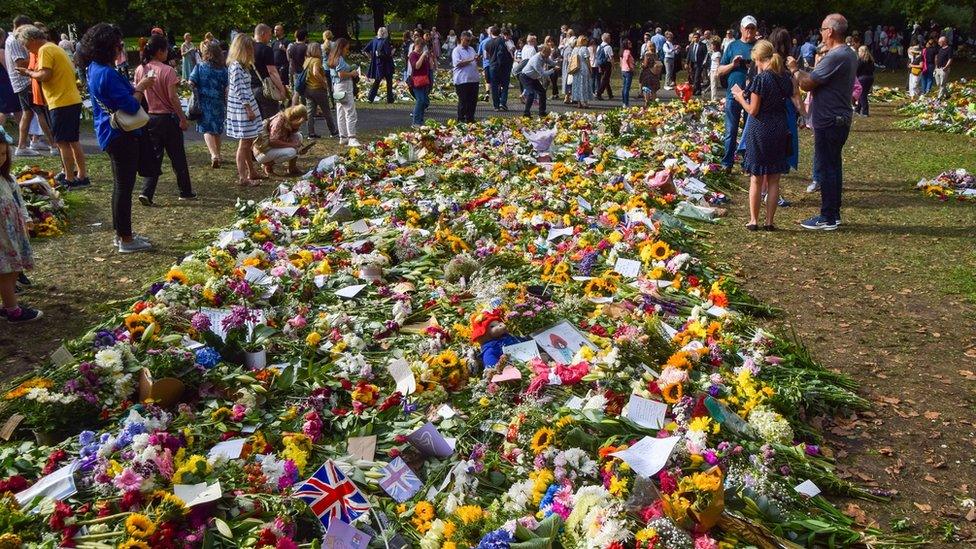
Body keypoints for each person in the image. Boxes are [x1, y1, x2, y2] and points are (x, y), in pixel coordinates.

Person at [82, 22, 156, 253]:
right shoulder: (106, 73)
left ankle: (121, 234)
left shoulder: (94, 68)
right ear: (109, 48)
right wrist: (142, 86)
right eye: (118, 45)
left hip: (109, 131)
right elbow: (131, 105)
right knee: (124, 187)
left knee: (120, 186)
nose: (120, 49)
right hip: (120, 134)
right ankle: (125, 239)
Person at [790, 13, 857, 231]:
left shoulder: (836, 56)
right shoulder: (848, 53)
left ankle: (827, 216)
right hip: (838, 118)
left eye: (822, 29)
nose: (820, 33)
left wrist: (793, 69)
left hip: (830, 120)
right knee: (833, 167)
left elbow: (809, 83)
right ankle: (833, 213)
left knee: (827, 168)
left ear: (830, 31)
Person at [17, 24, 88, 189]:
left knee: (62, 142)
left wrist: (28, 72)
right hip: (69, 99)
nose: (27, 49)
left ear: (32, 39)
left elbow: (44, 75)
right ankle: (80, 175)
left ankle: (70, 178)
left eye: (27, 45)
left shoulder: (45, 50)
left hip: (61, 101)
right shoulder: (53, 47)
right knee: (72, 140)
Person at [731, 40, 792, 231]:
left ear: (757, 58)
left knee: (756, 177)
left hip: (761, 129)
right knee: (774, 178)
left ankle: (753, 220)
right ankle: (770, 221)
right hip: (780, 127)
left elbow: (753, 110)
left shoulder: (761, 79)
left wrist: (740, 97)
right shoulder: (784, 77)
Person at [134, 35, 195, 205]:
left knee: (154, 156)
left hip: (150, 117)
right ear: (160, 51)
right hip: (168, 118)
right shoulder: (168, 70)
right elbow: (173, 97)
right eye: (166, 50)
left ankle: (147, 192)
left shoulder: (141, 69)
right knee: (177, 156)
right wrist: (182, 118)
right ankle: (185, 190)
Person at [0, 127, 41, 321]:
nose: (0, 158)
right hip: (2, 237)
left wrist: (26, 219)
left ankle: (8, 304)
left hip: (12, 233)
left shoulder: (8, 178)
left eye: (2, 153)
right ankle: (12, 309)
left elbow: (18, 202)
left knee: (13, 268)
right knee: (7, 270)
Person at [717, 16, 758, 169]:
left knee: (750, 131)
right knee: (730, 130)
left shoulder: (759, 47)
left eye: (752, 28)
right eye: (747, 28)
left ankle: (747, 163)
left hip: (753, 95)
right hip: (733, 94)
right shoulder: (732, 46)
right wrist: (733, 65)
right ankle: (727, 163)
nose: (749, 31)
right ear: (741, 29)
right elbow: (720, 71)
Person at [225, 34, 264, 187]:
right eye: (249, 48)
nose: (252, 51)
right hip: (243, 109)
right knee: (244, 144)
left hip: (246, 106)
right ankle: (243, 177)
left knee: (247, 141)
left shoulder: (241, 66)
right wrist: (248, 109)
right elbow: (240, 90)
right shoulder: (236, 67)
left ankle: (251, 171)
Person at [6, 16, 43, 159]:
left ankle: (32, 141)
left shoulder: (11, 40)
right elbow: (20, 63)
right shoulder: (15, 40)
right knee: (38, 112)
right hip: (24, 81)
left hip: (23, 81)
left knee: (30, 113)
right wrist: (37, 56)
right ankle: (52, 144)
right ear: (22, 26)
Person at [189, 40, 227, 168]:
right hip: (218, 102)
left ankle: (214, 154)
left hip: (204, 102)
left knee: (207, 129)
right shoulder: (222, 69)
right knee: (217, 129)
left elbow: (191, 82)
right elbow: (227, 86)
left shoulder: (200, 67)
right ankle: (219, 154)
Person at [254, 104, 306, 176]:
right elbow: (273, 141)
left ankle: (292, 168)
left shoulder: (288, 120)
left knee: (298, 136)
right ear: (294, 117)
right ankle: (268, 165)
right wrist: (293, 145)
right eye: (299, 123)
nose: (299, 125)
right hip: (263, 151)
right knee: (292, 151)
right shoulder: (279, 120)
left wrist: (299, 147)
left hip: (272, 148)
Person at [328, 38, 360, 147]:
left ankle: (343, 137)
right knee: (350, 112)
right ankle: (352, 137)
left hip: (337, 87)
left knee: (340, 112)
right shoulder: (340, 59)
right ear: (341, 48)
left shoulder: (333, 58)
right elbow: (341, 74)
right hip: (344, 86)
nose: (347, 50)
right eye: (346, 48)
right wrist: (352, 73)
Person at [302, 42, 337, 138]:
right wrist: (323, 83)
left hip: (308, 89)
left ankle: (311, 133)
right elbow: (315, 72)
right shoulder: (316, 61)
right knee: (326, 111)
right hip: (318, 89)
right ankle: (333, 131)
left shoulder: (307, 60)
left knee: (310, 112)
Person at [253, 24, 286, 119]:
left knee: (258, 120)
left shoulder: (248, 49)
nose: (270, 37)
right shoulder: (266, 49)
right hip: (265, 89)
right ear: (263, 34)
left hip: (250, 88)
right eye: (269, 35)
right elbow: (272, 72)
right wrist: (281, 89)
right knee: (271, 118)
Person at [451, 31, 479, 123]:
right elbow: (458, 63)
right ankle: (461, 119)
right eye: (467, 40)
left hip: (473, 79)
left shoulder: (471, 49)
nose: (468, 43)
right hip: (462, 80)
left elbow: (475, 60)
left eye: (469, 41)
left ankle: (470, 118)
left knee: (473, 101)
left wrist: (477, 59)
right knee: (463, 101)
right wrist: (471, 59)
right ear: (461, 39)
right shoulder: (456, 50)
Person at [519, 44, 553, 117]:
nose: (548, 56)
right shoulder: (536, 59)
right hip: (525, 77)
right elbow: (543, 74)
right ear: (543, 52)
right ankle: (526, 113)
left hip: (533, 78)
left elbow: (551, 62)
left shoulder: (545, 56)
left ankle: (542, 112)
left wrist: (557, 63)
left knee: (542, 92)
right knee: (531, 93)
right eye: (548, 54)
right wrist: (553, 70)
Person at [364, 27, 394, 104]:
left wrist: (371, 57)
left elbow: (366, 50)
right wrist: (392, 52)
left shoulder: (374, 40)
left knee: (377, 81)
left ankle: (370, 98)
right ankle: (390, 99)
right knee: (389, 81)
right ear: (385, 33)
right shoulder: (385, 41)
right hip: (386, 64)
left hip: (378, 64)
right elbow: (388, 54)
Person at [487, 27, 513, 111]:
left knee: (494, 86)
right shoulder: (503, 41)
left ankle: (496, 106)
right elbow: (509, 50)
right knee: (505, 85)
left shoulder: (487, 43)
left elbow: (486, 56)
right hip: (503, 66)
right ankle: (503, 103)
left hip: (492, 66)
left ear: (491, 33)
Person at [408, 35, 432, 125]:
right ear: (416, 45)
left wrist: (429, 58)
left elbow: (429, 66)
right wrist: (422, 56)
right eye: (420, 46)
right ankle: (416, 122)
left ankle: (420, 120)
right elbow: (416, 66)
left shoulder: (423, 54)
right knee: (420, 100)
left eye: (423, 46)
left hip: (425, 80)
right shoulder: (413, 55)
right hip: (416, 81)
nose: (421, 48)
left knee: (425, 101)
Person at [570, 36, 592, 108]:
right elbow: (587, 60)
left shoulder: (575, 49)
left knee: (577, 85)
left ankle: (579, 102)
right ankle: (584, 102)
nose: (587, 42)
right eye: (586, 41)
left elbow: (571, 59)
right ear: (583, 41)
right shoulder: (585, 49)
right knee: (584, 84)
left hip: (576, 68)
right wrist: (590, 69)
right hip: (583, 68)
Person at [286, 29, 308, 97]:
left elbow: (289, 59)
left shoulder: (291, 47)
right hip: (304, 72)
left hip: (294, 71)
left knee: (296, 91)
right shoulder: (306, 47)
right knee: (304, 92)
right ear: (305, 37)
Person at [855, 46, 874, 116]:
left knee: (862, 95)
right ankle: (857, 109)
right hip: (870, 78)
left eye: (859, 51)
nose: (858, 52)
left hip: (862, 78)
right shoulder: (871, 60)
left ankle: (865, 112)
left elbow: (857, 70)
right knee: (863, 94)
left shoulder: (860, 60)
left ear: (862, 52)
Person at [595, 33, 613, 100]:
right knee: (605, 79)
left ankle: (610, 94)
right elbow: (611, 57)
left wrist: (599, 66)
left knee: (606, 79)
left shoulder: (599, 46)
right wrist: (613, 65)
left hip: (600, 64)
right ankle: (599, 93)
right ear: (607, 39)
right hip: (607, 64)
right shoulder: (608, 47)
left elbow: (597, 56)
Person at [619, 39, 634, 107]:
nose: (631, 43)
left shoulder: (622, 52)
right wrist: (630, 67)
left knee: (624, 86)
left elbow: (622, 61)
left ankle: (623, 102)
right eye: (629, 43)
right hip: (628, 70)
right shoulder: (628, 51)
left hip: (623, 70)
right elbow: (627, 59)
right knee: (627, 88)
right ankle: (626, 103)